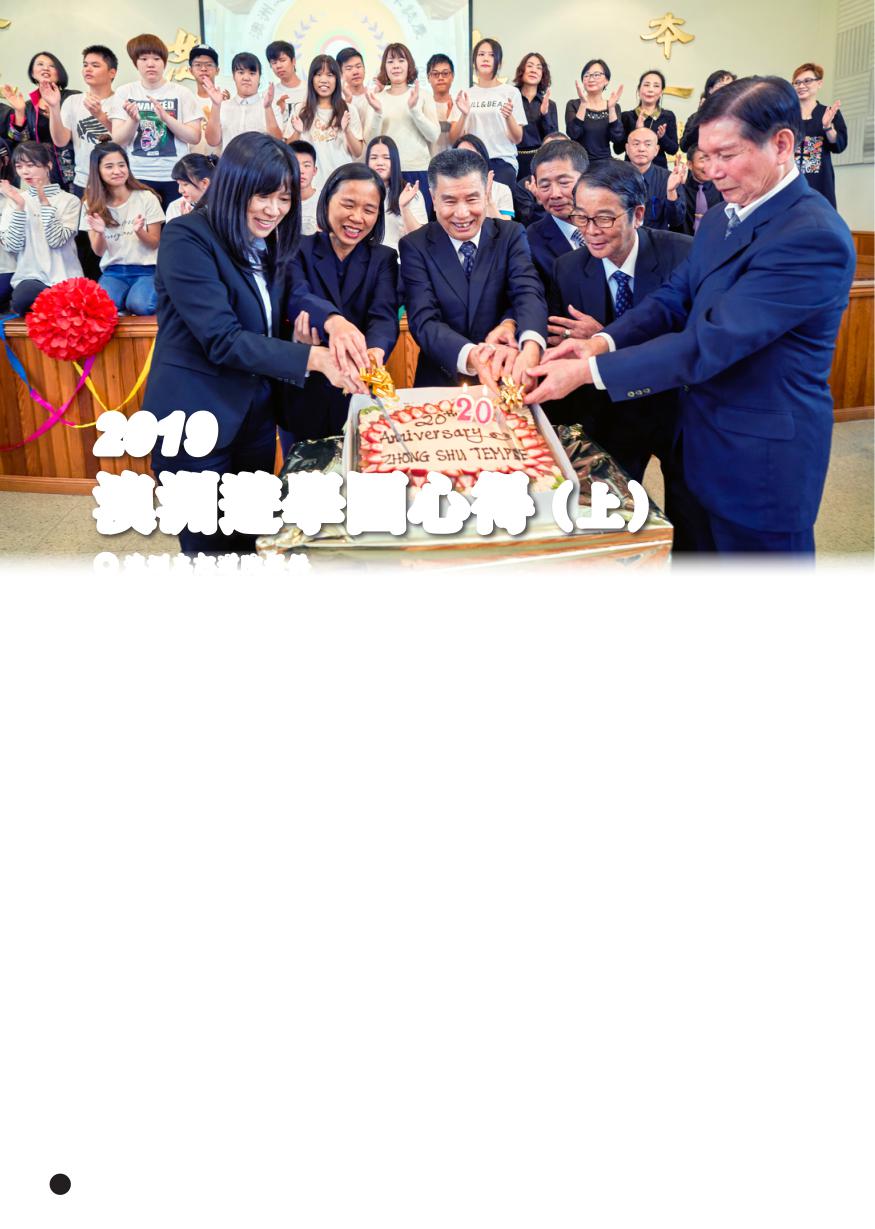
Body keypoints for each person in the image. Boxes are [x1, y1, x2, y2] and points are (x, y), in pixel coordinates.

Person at [526, 77, 857, 556]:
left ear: (782, 144)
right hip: (699, 438)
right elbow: (673, 298)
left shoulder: (811, 235)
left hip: (760, 458)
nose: (712, 171)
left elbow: (709, 342)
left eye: (727, 155)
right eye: (705, 155)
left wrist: (588, 370)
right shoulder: (722, 217)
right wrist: (601, 342)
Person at [140, 131, 363, 555]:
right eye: (262, 196)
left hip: (254, 418)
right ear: (233, 184)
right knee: (208, 552)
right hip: (194, 419)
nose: (273, 210)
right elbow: (222, 339)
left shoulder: (268, 239)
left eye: (284, 199)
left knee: (252, 541)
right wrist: (316, 358)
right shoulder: (186, 237)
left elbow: (294, 292)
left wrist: (333, 321)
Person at [546, 161, 696, 545]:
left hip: (677, 405)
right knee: (615, 518)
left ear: (638, 214)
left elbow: (690, 338)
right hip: (609, 409)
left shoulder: (683, 255)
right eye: (581, 218)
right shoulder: (567, 269)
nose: (590, 231)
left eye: (604, 219)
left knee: (689, 514)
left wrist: (604, 336)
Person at [399, 146, 547, 388]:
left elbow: (527, 292)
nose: (462, 213)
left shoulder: (510, 235)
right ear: (433, 199)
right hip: (441, 380)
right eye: (449, 201)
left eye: (471, 199)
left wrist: (529, 345)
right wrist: (471, 355)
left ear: (486, 193)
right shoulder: (415, 246)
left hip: (507, 372)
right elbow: (423, 319)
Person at [285, 162, 399, 439]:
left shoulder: (383, 258)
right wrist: (334, 322)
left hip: (360, 392)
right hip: (304, 395)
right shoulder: (298, 249)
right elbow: (297, 295)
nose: (357, 217)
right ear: (327, 202)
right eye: (348, 204)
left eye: (369, 210)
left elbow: (383, 315)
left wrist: (375, 351)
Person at [108, 34, 202, 209]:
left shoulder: (181, 93)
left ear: (164, 62)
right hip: (137, 176)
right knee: (142, 224)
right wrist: (133, 121)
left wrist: (167, 119)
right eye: (144, 59)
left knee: (175, 222)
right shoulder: (125, 92)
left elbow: (194, 137)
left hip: (176, 176)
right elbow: (118, 140)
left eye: (156, 59)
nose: (150, 64)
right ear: (135, 63)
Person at [0, 141, 82, 315]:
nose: (25, 171)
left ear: (48, 166)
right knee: (23, 300)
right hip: (30, 278)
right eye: (19, 166)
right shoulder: (15, 200)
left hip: (65, 277)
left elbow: (56, 241)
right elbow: (12, 246)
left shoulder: (70, 201)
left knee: (67, 307)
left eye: (31, 165)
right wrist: (20, 207)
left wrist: (44, 203)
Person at [81, 142, 163, 315]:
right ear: (98, 171)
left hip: (147, 270)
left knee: (140, 305)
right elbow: (98, 251)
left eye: (121, 165)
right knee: (100, 307)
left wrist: (140, 232)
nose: (117, 171)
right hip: (114, 271)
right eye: (109, 167)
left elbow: (155, 243)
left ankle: (130, 302)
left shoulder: (146, 197)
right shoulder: (91, 203)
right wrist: (101, 233)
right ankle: (122, 304)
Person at [363, 43, 439, 213]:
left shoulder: (423, 95)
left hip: (417, 170)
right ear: (384, 67)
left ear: (409, 64)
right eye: (390, 61)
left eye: (401, 60)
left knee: (419, 222)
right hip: (386, 173)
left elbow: (433, 135)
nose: (396, 66)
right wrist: (378, 113)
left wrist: (415, 111)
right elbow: (370, 140)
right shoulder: (376, 98)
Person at [44, 46, 117, 198]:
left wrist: (100, 116)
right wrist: (54, 107)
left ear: (112, 72)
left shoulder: (121, 100)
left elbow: (124, 139)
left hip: (116, 179)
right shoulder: (73, 101)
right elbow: (60, 141)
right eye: (85, 65)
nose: (88, 69)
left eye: (95, 65)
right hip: (84, 180)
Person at [449, 38, 526, 178]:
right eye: (481, 54)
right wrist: (464, 115)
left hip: (502, 160)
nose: (485, 58)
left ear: (499, 63)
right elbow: (453, 139)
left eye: (491, 55)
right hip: (471, 162)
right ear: (474, 62)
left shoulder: (511, 92)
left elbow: (517, 138)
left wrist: (508, 117)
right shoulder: (464, 95)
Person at [2, 52, 79, 187]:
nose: (45, 68)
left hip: (73, 167)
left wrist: (54, 113)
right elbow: (20, 143)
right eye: (40, 64)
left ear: (59, 73)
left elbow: (83, 132)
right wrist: (19, 111)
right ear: (32, 73)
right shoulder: (28, 106)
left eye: (52, 66)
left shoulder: (73, 98)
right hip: (41, 171)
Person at [525, 139, 589, 288]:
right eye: (545, 185)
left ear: (586, 178)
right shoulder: (530, 242)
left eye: (564, 183)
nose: (555, 194)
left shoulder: (612, 223)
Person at [287, 56, 363, 178]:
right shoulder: (300, 109)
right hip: (311, 182)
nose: (323, 80)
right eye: (318, 74)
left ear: (337, 79)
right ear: (311, 79)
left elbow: (358, 153)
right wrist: (297, 132)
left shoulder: (348, 110)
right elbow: (288, 150)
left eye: (329, 75)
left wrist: (347, 130)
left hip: (342, 180)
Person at [791, 62, 847, 208]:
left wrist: (828, 127)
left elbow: (839, 146)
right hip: (791, 181)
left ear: (819, 83)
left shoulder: (829, 113)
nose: (801, 86)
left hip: (820, 182)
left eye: (807, 81)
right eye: (797, 82)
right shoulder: (787, 116)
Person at [202, 52, 282, 151]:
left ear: (259, 77)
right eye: (241, 72)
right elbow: (212, 141)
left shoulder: (271, 107)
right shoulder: (223, 106)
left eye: (252, 73)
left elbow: (278, 143)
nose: (246, 78)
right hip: (229, 160)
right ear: (233, 76)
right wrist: (215, 105)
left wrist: (268, 108)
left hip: (260, 161)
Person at [366, 135, 427, 251]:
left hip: (399, 258)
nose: (380, 163)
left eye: (386, 158)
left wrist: (404, 208)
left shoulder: (410, 192)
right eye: (374, 158)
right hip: (367, 257)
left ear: (395, 161)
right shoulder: (360, 192)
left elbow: (420, 239)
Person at [624, 128, 686, 230]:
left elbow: (676, 221)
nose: (641, 149)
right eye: (636, 144)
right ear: (627, 148)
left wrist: (671, 192)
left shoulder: (668, 178)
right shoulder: (614, 177)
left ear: (656, 150)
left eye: (648, 144)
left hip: (655, 238)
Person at [564, 59, 624, 163]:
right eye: (587, 75)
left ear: (606, 80)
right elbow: (573, 134)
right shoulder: (574, 104)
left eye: (596, 75)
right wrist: (583, 104)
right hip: (579, 163)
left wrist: (611, 108)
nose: (591, 79)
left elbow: (617, 138)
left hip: (605, 163)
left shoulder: (614, 106)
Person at [615, 69, 678, 167]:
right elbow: (617, 149)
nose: (650, 90)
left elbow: (673, 150)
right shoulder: (627, 116)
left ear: (661, 92)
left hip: (658, 171)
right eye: (646, 85)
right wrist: (635, 131)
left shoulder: (668, 116)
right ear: (639, 90)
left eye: (656, 86)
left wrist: (662, 137)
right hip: (631, 171)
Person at [513, 53, 557, 184]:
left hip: (540, 161)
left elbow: (553, 138)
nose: (534, 70)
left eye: (538, 67)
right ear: (522, 70)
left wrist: (545, 114)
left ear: (543, 74)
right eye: (530, 66)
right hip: (513, 158)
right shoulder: (511, 99)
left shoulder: (549, 104)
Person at [452, 135, 515, 220]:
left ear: (483, 159)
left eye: (472, 155)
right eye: (461, 156)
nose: (466, 161)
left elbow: (506, 226)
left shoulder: (502, 190)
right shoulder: (448, 190)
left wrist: (489, 201)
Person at [680, 69, 736, 153]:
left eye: (731, 88)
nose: (726, 91)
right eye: (722, 87)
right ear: (710, 90)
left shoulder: (739, 116)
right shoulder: (695, 117)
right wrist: (702, 116)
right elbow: (685, 146)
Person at [187, 45, 227, 156]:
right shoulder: (186, 101)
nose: (203, 69)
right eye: (198, 65)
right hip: (192, 162)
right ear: (190, 70)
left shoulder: (226, 101)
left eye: (209, 65)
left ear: (217, 70)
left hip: (220, 162)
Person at [677, 145, 722, 235]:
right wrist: (678, 187)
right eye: (702, 160)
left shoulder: (721, 188)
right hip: (684, 239)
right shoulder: (681, 186)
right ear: (690, 165)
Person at [266, 39, 306, 131]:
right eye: (274, 62)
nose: (278, 66)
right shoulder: (269, 96)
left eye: (282, 60)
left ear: (293, 61)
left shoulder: (309, 90)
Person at [165, 153, 216, 221]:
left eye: (185, 184)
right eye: (179, 184)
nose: (180, 190)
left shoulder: (224, 206)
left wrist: (190, 222)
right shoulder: (175, 207)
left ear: (204, 183)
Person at [336, 47, 371, 140]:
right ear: (340, 73)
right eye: (349, 68)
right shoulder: (338, 100)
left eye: (358, 66)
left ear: (364, 69)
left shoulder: (373, 95)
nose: (355, 72)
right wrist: (347, 101)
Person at [426, 54, 455, 156]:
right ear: (428, 78)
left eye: (445, 73)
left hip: (455, 163)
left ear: (452, 76)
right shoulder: (423, 106)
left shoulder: (459, 105)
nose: (441, 78)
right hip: (429, 162)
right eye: (435, 74)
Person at [289, 140, 319, 234]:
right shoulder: (281, 201)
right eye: (295, 165)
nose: (301, 171)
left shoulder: (324, 201)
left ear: (314, 171)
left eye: (306, 165)